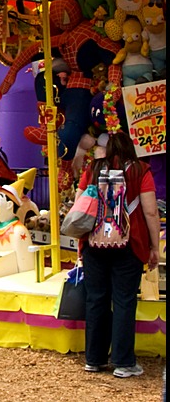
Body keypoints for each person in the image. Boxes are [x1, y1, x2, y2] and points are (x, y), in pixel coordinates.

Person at [76, 131, 160, 378]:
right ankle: (123, 362)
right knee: (124, 301)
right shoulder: (140, 170)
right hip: (129, 245)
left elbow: (80, 204)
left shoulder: (93, 168)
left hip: (94, 244)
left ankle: (94, 358)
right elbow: (151, 211)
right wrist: (154, 247)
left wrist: (81, 243)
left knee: (96, 299)